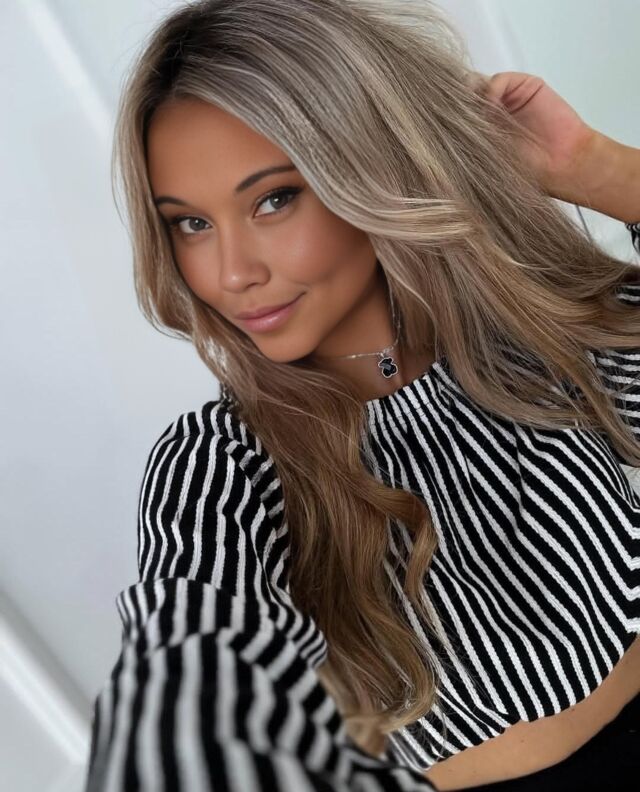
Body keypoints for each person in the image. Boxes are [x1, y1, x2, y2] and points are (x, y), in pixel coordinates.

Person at [83, 1, 640, 790]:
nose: (231, 273)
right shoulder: (222, 464)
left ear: (369, 167)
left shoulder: (533, 336)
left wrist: (590, 166)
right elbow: (189, 660)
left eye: (273, 199)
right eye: (190, 225)